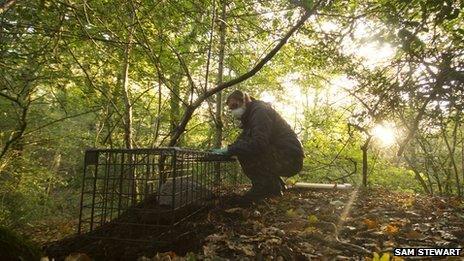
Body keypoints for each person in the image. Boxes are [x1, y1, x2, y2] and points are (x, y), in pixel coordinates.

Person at [213, 90, 304, 201]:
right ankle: (274, 186)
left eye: (235, 106)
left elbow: (258, 143)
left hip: (291, 158)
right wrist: (226, 150)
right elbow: (243, 140)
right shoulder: (250, 117)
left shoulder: (260, 111)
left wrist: (232, 149)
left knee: (245, 151)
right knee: (242, 147)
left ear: (245, 101)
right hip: (284, 155)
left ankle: (263, 188)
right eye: (231, 109)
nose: (234, 111)